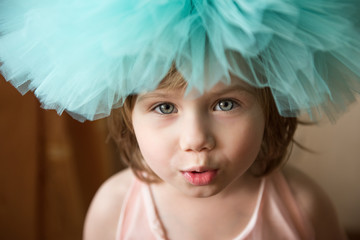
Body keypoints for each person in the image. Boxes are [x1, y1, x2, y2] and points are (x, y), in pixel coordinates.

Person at [0, 1, 359, 239]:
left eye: (226, 104)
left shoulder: (304, 209)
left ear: (269, 106)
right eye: (164, 108)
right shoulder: (113, 208)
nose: (196, 139)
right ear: (129, 114)